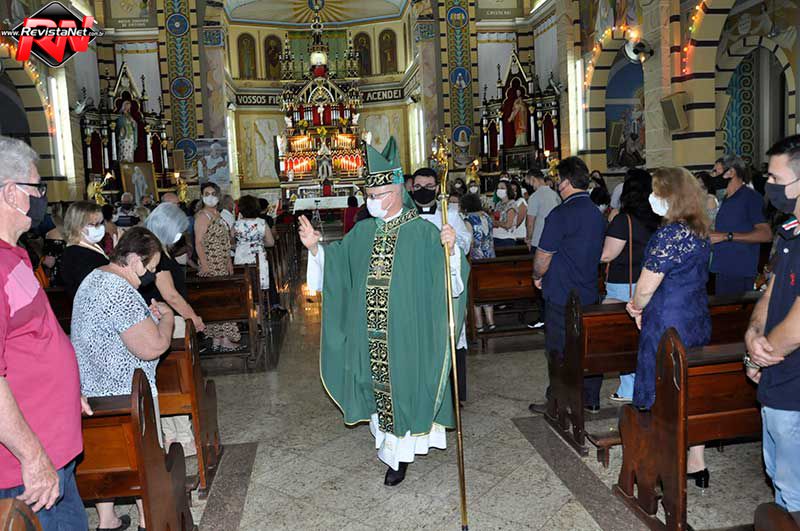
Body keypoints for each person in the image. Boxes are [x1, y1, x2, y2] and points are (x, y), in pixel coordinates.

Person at [300, 144, 468, 487]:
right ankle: (388, 446)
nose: (371, 201)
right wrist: (316, 247)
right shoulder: (364, 231)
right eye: (369, 195)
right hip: (369, 332)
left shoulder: (423, 233)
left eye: (376, 195)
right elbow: (339, 264)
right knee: (374, 387)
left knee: (402, 388)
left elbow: (449, 283)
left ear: (396, 193)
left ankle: (399, 457)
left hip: (406, 332)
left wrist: (451, 250)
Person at [0, 137, 90, 530]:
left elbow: (31, 339)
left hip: (54, 449)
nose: (41, 198)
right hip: (25, 470)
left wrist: (68, 389)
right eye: (36, 188)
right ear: (10, 193)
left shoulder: (14, 255)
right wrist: (32, 456)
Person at [73, 227, 174, 531]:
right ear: (133, 260)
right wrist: (167, 319)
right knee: (140, 458)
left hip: (92, 391)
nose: (151, 274)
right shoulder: (119, 291)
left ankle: (108, 520)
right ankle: (146, 520)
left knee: (106, 458)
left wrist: (147, 317)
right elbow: (152, 347)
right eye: (150, 267)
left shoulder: (94, 278)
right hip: (125, 392)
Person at [625, 167, 712, 487]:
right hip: (696, 317)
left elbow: (646, 287)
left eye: (656, 191)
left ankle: (660, 460)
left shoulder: (670, 234)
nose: (652, 197)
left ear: (670, 196)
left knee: (660, 388)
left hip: (667, 321)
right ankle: (697, 463)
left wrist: (636, 306)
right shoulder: (700, 230)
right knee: (690, 387)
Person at [744, 135, 800, 512]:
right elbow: (771, 291)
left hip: (793, 384)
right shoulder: (789, 231)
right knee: (779, 478)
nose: (769, 186)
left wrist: (761, 356)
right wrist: (753, 335)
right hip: (777, 379)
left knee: (794, 492)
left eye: (777, 179)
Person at [529, 157, 605, 414]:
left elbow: (543, 255)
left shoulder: (560, 214)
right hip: (588, 290)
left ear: (565, 182)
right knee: (585, 346)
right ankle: (590, 398)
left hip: (561, 292)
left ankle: (558, 400)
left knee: (558, 349)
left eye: (558, 180)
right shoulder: (596, 213)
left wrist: (537, 275)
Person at [411, 167, 472, 402]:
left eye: (428, 187)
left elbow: (466, 242)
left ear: (437, 188)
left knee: (450, 334)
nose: (423, 191)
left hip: (445, 283)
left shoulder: (450, 213)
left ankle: (454, 394)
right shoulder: (405, 215)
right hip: (416, 286)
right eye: (418, 187)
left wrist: (452, 242)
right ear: (411, 188)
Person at [600, 170, 660, 402]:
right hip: (649, 282)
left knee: (625, 339)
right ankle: (648, 384)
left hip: (623, 284)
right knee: (644, 337)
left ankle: (629, 388)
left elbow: (607, 254)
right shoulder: (656, 219)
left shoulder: (623, 220)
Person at [709, 155, 772, 295]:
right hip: (723, 267)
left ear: (731, 172)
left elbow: (766, 234)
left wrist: (726, 236)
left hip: (739, 269)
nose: (712, 175)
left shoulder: (750, 197)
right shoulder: (726, 198)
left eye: (716, 171)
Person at [195, 183, 240, 351]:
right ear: (202, 196)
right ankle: (222, 339)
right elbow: (198, 243)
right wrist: (205, 266)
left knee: (221, 302)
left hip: (221, 262)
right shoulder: (202, 216)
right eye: (206, 193)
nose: (210, 197)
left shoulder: (218, 214)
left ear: (218, 196)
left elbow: (225, 242)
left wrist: (228, 262)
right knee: (219, 303)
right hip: (211, 263)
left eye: (213, 193)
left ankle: (219, 340)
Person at [58, 201, 110, 301]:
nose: (100, 227)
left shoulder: (91, 246)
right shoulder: (76, 254)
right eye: (94, 224)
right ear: (77, 226)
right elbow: (95, 287)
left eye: (101, 223)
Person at [462, 192, 495, 332]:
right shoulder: (486, 216)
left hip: (476, 260)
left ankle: (479, 324)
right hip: (490, 257)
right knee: (487, 290)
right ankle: (491, 321)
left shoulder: (469, 220)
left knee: (475, 292)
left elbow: (470, 242)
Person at [233, 195, 274, 291]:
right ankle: (261, 298)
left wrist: (241, 245)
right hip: (258, 258)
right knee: (259, 286)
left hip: (241, 258)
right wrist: (259, 244)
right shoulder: (262, 223)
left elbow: (230, 242)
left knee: (244, 287)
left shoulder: (236, 224)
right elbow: (271, 242)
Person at [525, 170, 560, 252]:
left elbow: (530, 223)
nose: (529, 186)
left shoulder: (534, 197)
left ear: (533, 179)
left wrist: (529, 239)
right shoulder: (555, 195)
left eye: (528, 183)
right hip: (555, 239)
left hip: (538, 241)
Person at [491, 180, 518, 247]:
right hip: (496, 236)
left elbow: (508, 225)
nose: (499, 190)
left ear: (508, 190)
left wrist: (497, 223)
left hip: (506, 238)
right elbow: (495, 219)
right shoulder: (498, 204)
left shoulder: (511, 204)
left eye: (502, 188)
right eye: (498, 188)